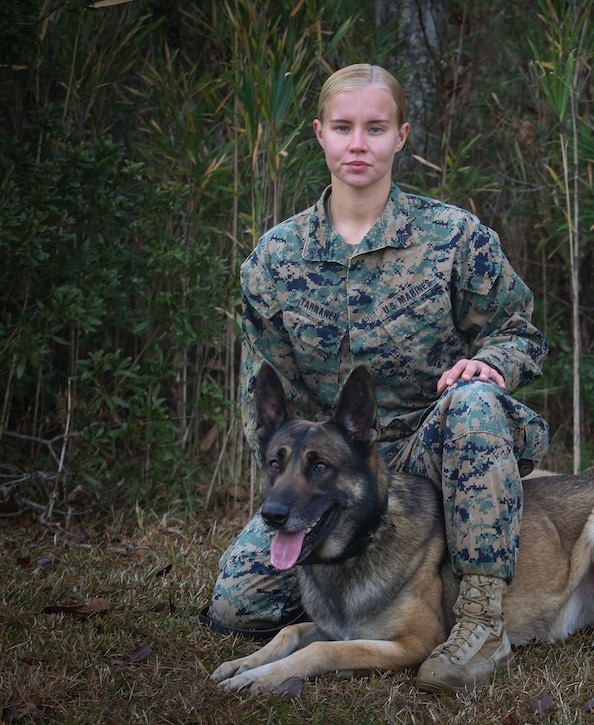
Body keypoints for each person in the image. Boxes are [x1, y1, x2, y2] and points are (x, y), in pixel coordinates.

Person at [200, 63, 549, 694]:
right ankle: (351, 613)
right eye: (343, 127)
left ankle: (480, 618)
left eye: (375, 127)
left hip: (431, 453)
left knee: (474, 401)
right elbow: (268, 402)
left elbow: (520, 330)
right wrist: (298, 476)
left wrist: (491, 361)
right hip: (325, 470)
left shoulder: (455, 238)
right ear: (320, 135)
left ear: (402, 135)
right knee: (237, 607)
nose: (358, 143)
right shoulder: (274, 260)